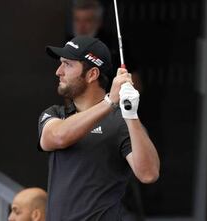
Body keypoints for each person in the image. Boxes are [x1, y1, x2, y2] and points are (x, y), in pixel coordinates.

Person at [38, 36, 159, 220]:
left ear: (92, 74)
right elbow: (56, 138)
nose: (58, 71)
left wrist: (131, 114)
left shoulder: (121, 120)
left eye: (67, 64)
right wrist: (110, 101)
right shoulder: (56, 114)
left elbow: (148, 174)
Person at [67, 0, 143, 93]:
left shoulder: (115, 45)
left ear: (98, 22)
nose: (81, 26)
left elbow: (135, 84)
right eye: (77, 20)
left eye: (88, 20)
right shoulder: (69, 45)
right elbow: (67, 88)